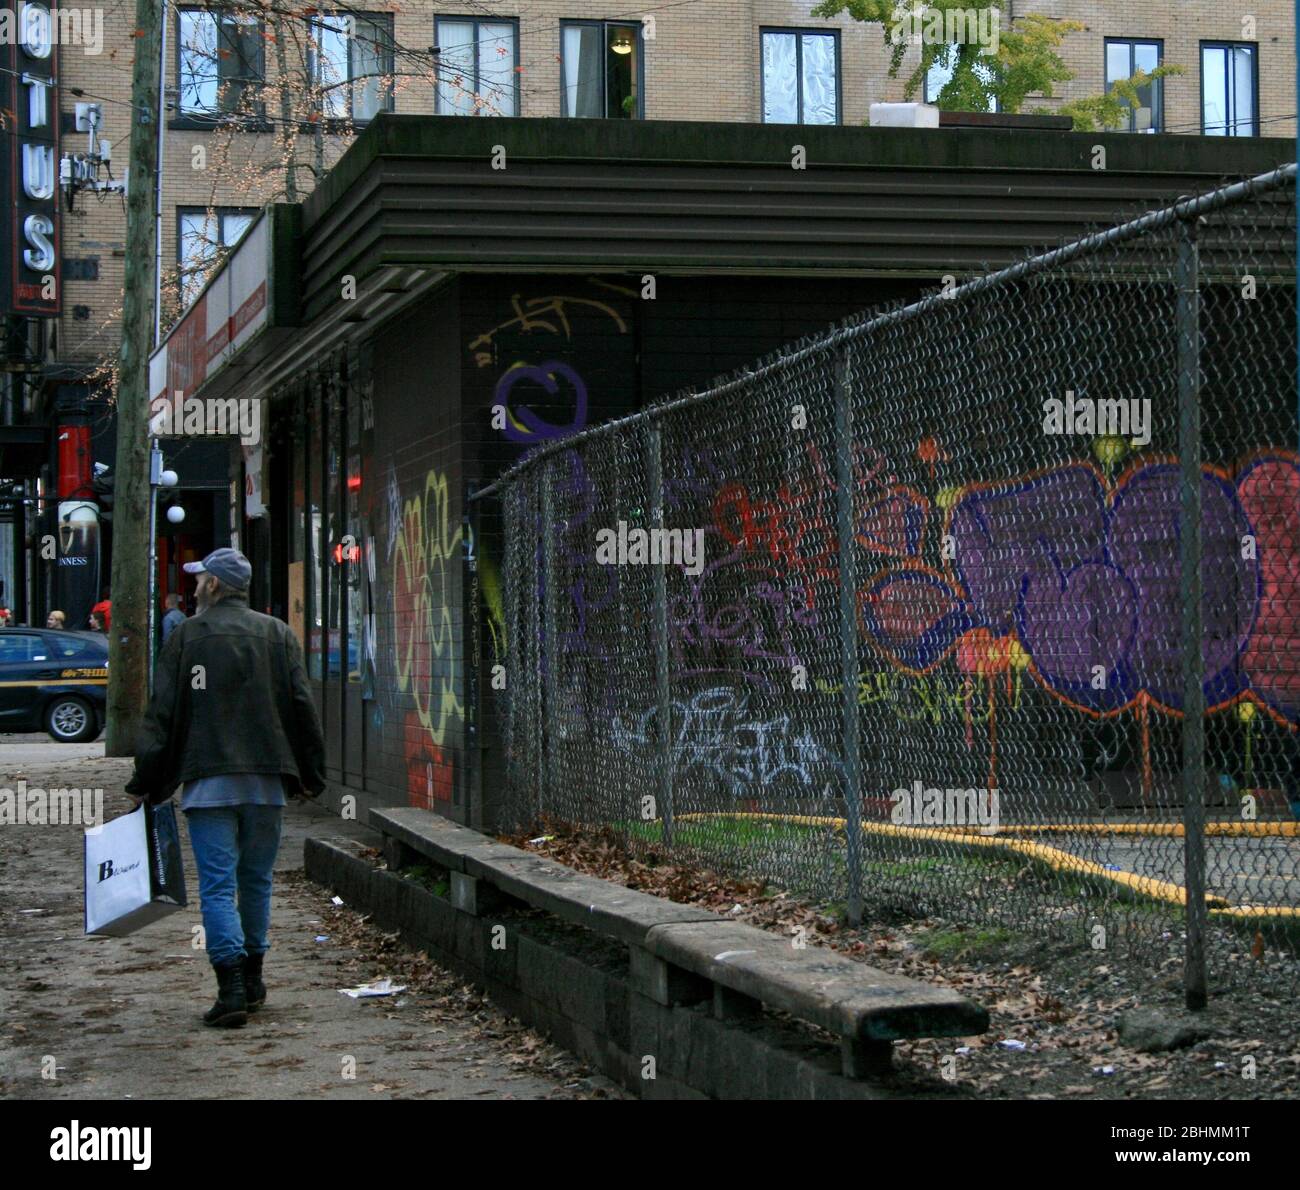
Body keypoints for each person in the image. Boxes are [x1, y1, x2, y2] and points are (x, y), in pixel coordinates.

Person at [126, 548, 326, 1029]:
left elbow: (162, 715)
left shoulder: (188, 637)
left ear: (214, 585)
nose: (194, 587)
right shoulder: (277, 634)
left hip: (208, 781)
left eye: (199, 581)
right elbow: (301, 706)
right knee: (256, 881)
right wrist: (308, 775)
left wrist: (146, 782)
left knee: (217, 887)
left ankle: (231, 986)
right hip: (266, 783)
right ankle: (254, 979)